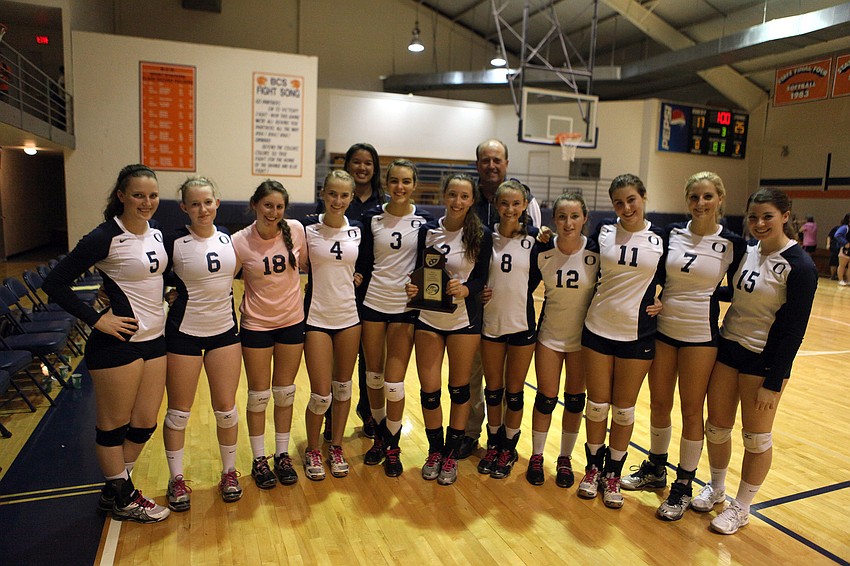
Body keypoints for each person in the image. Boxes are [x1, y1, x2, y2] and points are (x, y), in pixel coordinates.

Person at [43, 164, 170, 523]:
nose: (146, 202)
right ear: (121, 196)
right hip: (119, 343)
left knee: (145, 423)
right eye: (138, 195)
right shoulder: (104, 236)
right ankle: (124, 497)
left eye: (152, 195)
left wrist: (173, 290)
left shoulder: (157, 233)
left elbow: (155, 275)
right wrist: (98, 318)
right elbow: (54, 283)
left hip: (154, 340)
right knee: (113, 425)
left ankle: (116, 487)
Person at [621, 172, 745, 521]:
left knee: (692, 411)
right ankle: (656, 470)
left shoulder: (733, 243)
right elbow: (653, 274)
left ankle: (683, 486)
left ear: (720, 198)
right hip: (663, 329)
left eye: (707, 196)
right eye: (694, 197)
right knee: (659, 403)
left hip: (700, 337)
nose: (700, 203)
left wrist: (706, 297)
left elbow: (735, 290)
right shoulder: (670, 233)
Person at [696, 187, 817, 535]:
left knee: (756, 438)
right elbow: (735, 293)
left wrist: (774, 382)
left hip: (763, 361)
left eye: (767, 216)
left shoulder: (800, 266)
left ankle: (742, 507)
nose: (759, 223)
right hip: (728, 348)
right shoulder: (747, 252)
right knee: (716, 427)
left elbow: (794, 331)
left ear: (785, 215)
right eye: (753, 217)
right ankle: (717, 488)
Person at [577, 173, 665, 509]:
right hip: (597, 328)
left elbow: (673, 278)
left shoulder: (660, 239)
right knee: (597, 406)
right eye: (618, 202)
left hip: (637, 334)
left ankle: (613, 473)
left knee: (624, 411)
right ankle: (593, 470)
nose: (626, 207)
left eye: (631, 199)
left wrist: (664, 300)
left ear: (643, 197)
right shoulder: (603, 231)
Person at [161, 176, 244, 511]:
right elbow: (151, 277)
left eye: (207, 202)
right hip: (184, 333)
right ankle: (176, 478)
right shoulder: (173, 242)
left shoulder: (229, 240)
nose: (202, 209)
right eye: (194, 203)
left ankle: (229, 472)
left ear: (217, 203)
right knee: (179, 413)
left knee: (226, 410)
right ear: (184, 207)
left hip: (224, 331)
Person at [406, 173, 492, 485]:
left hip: (462, 323)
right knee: (429, 393)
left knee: (459, 391)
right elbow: (418, 272)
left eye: (464, 196)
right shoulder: (428, 232)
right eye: (452, 195)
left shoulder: (481, 235)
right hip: (429, 320)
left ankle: (451, 455)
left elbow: (482, 278)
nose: (457, 201)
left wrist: (467, 289)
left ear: (472, 201)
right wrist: (412, 289)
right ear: (444, 196)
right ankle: (434, 450)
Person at [459, 138, 541, 460]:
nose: (491, 165)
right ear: (478, 164)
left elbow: (534, 257)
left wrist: (516, 289)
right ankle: (470, 434)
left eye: (497, 160)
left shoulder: (527, 202)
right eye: (485, 160)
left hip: (511, 311)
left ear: (506, 163)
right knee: (474, 376)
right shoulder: (468, 199)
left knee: (508, 384)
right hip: (472, 306)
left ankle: (506, 443)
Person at [355, 160, 433, 476]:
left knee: (393, 382)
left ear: (414, 185)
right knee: (373, 376)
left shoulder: (425, 221)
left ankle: (393, 443)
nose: (400, 187)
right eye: (394, 181)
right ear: (386, 184)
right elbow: (360, 259)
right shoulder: (371, 219)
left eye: (406, 181)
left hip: (405, 309)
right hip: (373, 304)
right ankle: (379, 437)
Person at [231, 180, 307, 489]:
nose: (273, 212)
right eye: (267, 205)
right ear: (254, 205)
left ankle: (282, 454)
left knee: (285, 393)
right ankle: (259, 458)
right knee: (258, 395)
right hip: (257, 325)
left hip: (291, 322)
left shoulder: (297, 230)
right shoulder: (239, 241)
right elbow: (223, 279)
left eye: (279, 206)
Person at [525, 192, 598, 487]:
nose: (568, 223)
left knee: (574, 401)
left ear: (584, 219)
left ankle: (565, 458)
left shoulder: (595, 254)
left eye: (575, 216)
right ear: (553, 220)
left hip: (582, 340)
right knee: (545, 399)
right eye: (562, 217)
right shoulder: (542, 252)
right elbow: (521, 286)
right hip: (549, 337)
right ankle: (537, 455)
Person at [318, 143, 385, 439]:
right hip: (336, 293)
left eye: (367, 162)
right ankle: (331, 416)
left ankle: (368, 411)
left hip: (371, 290)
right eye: (355, 162)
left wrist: (364, 274)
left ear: (375, 167)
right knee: (338, 361)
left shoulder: (384, 203)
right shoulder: (335, 202)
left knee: (368, 358)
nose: (361, 167)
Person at [302, 170, 362, 480]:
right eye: (332, 194)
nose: (338, 200)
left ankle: (335, 446)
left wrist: (359, 277)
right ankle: (313, 448)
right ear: (323, 194)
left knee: (342, 388)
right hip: (317, 318)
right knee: (320, 394)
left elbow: (363, 267)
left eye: (344, 195)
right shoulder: (307, 231)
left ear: (352, 197)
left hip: (349, 317)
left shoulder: (358, 231)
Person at [478, 180, 541, 479]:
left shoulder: (536, 242)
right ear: (496, 204)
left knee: (514, 393)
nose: (510, 209)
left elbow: (537, 280)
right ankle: (493, 442)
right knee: (493, 390)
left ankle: (509, 446)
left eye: (516, 203)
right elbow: (474, 275)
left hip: (521, 324)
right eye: (504, 203)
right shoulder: (484, 239)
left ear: (525, 205)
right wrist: (479, 292)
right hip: (491, 322)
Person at [825, 214, 849, 280]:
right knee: (835, 262)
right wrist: (828, 244)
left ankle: (845, 278)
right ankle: (835, 276)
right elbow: (832, 236)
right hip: (837, 247)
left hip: (845, 249)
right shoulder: (840, 228)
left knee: (845, 265)